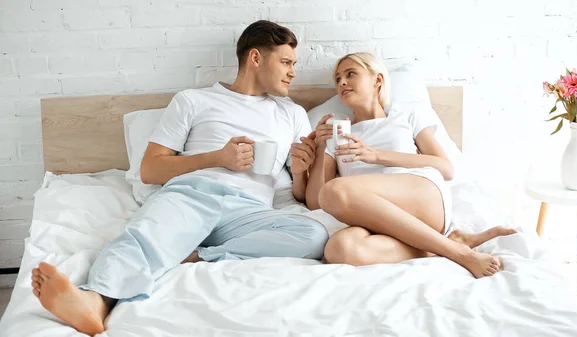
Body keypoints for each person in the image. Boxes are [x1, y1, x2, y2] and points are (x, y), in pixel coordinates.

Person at [29, 20, 328, 336]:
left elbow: (300, 197)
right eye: (286, 62)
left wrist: (298, 173)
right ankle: (95, 300)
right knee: (142, 237)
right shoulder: (194, 101)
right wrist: (217, 158)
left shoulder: (291, 113)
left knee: (313, 234)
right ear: (255, 58)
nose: (293, 72)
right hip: (194, 194)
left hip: (251, 210)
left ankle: (195, 255)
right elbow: (150, 169)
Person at [305, 52, 516, 277]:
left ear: (377, 80)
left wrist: (376, 156)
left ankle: (459, 255)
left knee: (336, 190)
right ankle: (448, 245)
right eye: (337, 79)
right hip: (374, 217)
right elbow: (317, 201)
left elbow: (446, 168)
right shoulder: (338, 134)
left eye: (350, 74)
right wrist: (320, 146)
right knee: (340, 249)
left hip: (422, 198)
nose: (342, 82)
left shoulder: (406, 115)